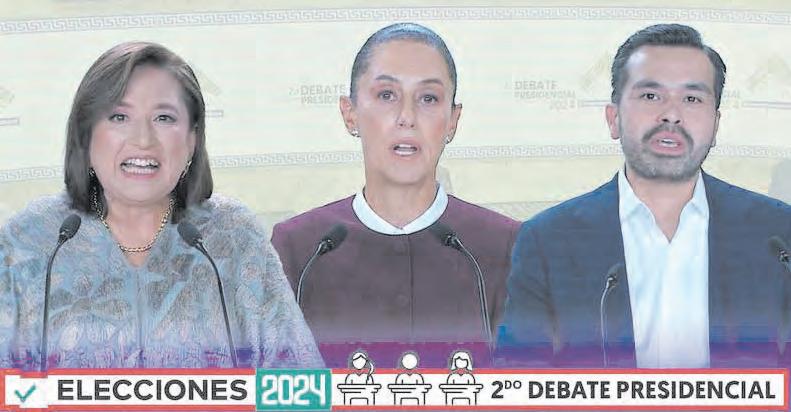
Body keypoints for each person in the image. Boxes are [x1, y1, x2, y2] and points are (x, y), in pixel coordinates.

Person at [0, 42, 322, 370]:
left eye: (164, 118)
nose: (143, 139)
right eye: (119, 116)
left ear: (192, 139)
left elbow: (300, 382)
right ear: (86, 134)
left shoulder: (233, 237)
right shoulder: (29, 242)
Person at [497, 24, 791, 368]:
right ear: (614, 119)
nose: (671, 114)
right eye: (651, 96)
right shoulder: (548, 241)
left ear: (715, 125)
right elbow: (521, 377)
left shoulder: (777, 235)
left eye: (692, 99)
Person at [272, 23, 519, 367]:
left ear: (453, 120)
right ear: (349, 113)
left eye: (428, 98)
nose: (407, 118)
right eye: (387, 95)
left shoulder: (508, 246)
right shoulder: (299, 249)